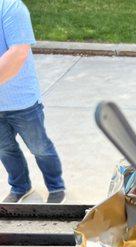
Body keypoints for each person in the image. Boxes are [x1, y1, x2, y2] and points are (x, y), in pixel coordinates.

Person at [0, 0, 66, 203]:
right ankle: (20, 187)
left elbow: (18, 53)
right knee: (4, 149)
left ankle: (56, 187)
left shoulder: (11, 7)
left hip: (22, 102)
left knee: (40, 148)